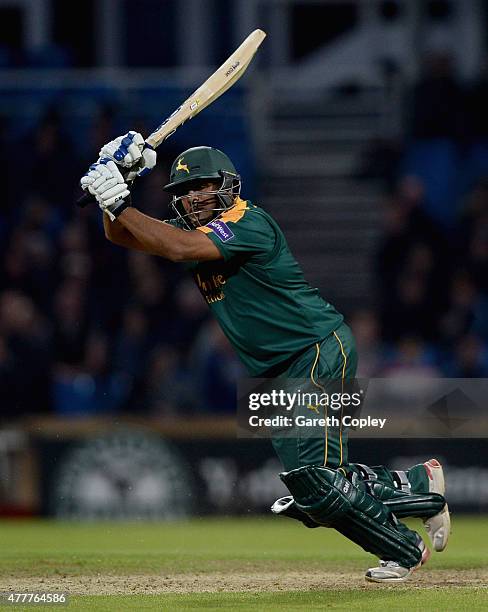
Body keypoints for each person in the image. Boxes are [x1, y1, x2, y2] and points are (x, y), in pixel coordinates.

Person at [80, 132, 450, 582]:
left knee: (317, 481)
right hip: (274, 372)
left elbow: (173, 246)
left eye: (203, 186)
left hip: (314, 348)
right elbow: (123, 235)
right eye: (184, 192)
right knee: (313, 492)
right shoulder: (191, 231)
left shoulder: (247, 221)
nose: (194, 197)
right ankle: (416, 487)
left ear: (227, 184)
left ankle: (409, 541)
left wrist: (120, 201)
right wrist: (116, 183)